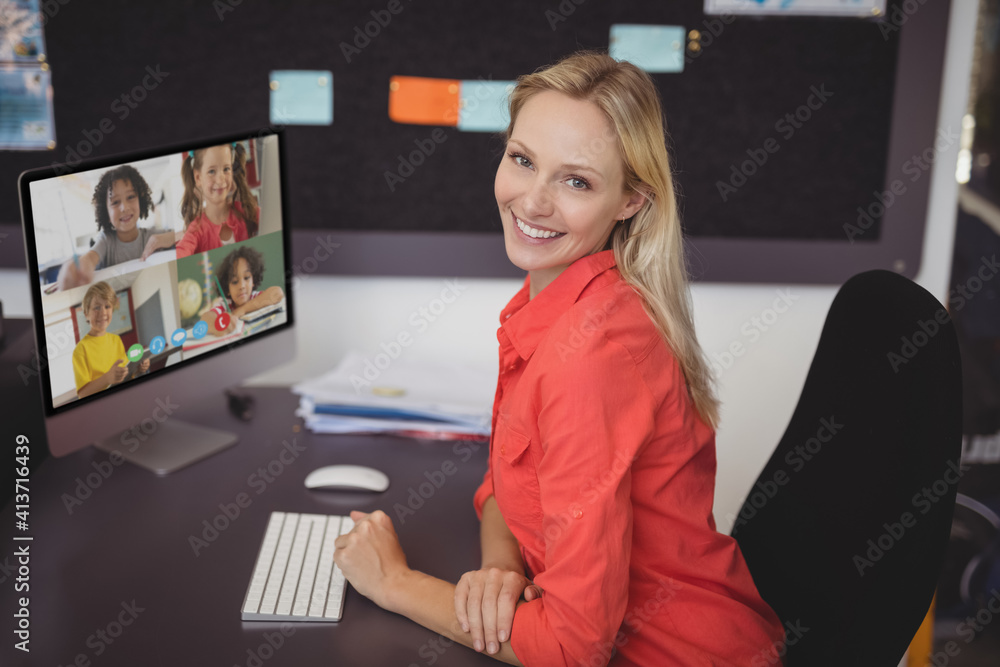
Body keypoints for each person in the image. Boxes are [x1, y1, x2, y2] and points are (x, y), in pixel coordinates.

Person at [332, 52, 785, 666]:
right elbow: (505, 483)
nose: (532, 201)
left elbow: (572, 649)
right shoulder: (551, 301)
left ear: (630, 200)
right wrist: (500, 570)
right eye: (522, 160)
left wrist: (395, 584)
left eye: (576, 181)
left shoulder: (588, 357)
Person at [56, 165, 178, 290]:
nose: (124, 207)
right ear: (106, 213)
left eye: (130, 197)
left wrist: (170, 237)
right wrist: (79, 267)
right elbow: (90, 257)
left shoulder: (154, 236)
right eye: (115, 202)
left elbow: (192, 233)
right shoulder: (106, 241)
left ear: (140, 201)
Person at [175, 142, 259, 258]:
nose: (220, 180)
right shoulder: (196, 230)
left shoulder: (245, 211)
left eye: (226, 169)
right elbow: (181, 254)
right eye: (212, 171)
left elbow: (273, 220)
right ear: (198, 177)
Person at [72, 281, 149, 399]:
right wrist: (107, 378)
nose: (103, 312)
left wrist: (138, 369)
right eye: (96, 307)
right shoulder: (80, 350)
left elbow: (124, 374)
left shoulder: (116, 340)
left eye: (107, 306)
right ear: (86, 314)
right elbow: (82, 394)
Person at [200, 244, 284, 336]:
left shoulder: (255, 297)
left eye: (246, 277)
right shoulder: (225, 305)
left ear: (253, 281)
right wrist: (217, 328)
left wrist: (241, 310)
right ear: (227, 288)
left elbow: (277, 293)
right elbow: (205, 318)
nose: (242, 286)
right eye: (235, 282)